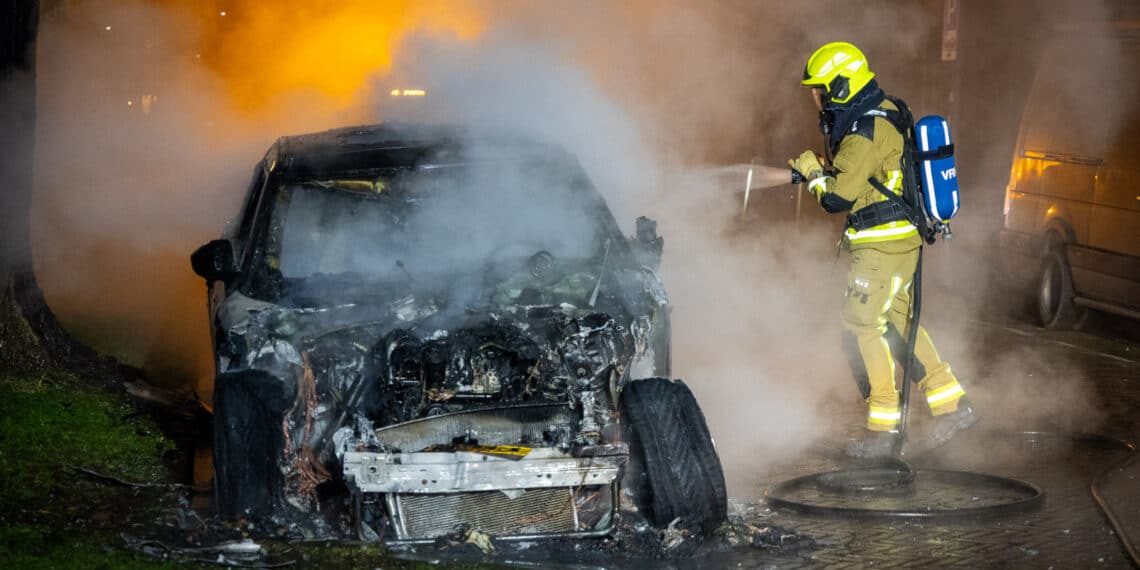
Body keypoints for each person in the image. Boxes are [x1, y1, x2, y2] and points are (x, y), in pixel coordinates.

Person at [788, 41, 976, 458]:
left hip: (879, 250)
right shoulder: (886, 112)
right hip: (899, 244)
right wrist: (825, 170)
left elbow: (836, 197)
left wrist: (812, 171)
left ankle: (882, 431)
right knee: (901, 323)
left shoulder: (863, 133)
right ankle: (952, 405)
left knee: (860, 327)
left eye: (820, 89)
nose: (816, 99)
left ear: (840, 86)